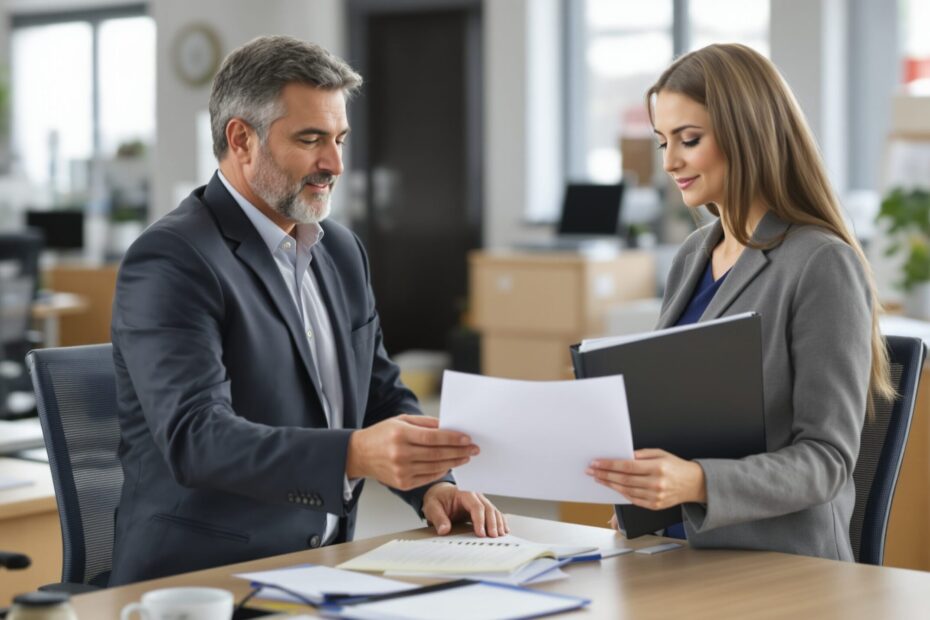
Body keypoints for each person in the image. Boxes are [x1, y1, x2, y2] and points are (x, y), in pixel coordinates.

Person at [110, 35, 506, 585]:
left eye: (341, 138)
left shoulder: (339, 249)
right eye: (312, 139)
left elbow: (378, 393)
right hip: (202, 580)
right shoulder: (172, 259)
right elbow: (197, 439)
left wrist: (431, 485)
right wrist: (353, 453)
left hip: (322, 568)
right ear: (241, 139)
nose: (335, 163)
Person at [585, 43, 894, 560]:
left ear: (746, 134)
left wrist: (696, 483)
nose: (670, 161)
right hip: (674, 553)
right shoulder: (692, 256)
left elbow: (827, 460)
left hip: (781, 566)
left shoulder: (821, 263)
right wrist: (645, 489)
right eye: (663, 142)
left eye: (689, 139)